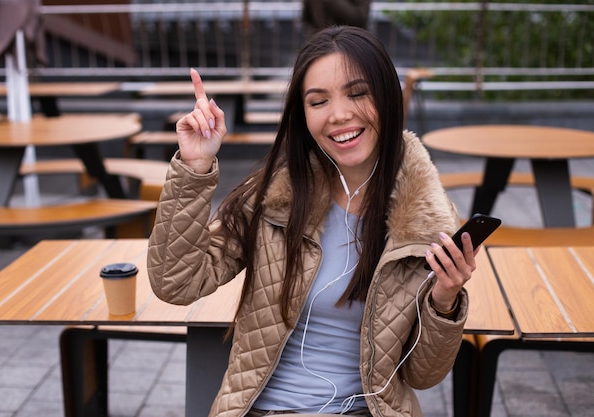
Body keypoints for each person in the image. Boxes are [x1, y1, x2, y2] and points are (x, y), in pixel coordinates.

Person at [148, 26, 478, 417]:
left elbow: (422, 375)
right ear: (302, 115)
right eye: (318, 101)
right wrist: (194, 167)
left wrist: (445, 301)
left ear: (388, 96)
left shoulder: (426, 224)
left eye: (358, 93)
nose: (339, 115)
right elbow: (176, 282)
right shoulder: (273, 198)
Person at [301, 0, 372, 40]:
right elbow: (306, 19)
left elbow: (360, 18)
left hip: (352, 45)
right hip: (319, 46)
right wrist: (315, 37)